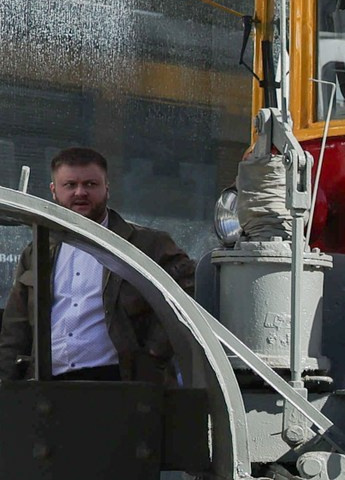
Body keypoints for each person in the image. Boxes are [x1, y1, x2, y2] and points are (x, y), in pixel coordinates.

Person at [0, 147, 199, 383]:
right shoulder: (37, 251)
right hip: (49, 389)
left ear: (107, 188)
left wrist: (154, 354)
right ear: (54, 191)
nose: (80, 192)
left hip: (121, 385)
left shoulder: (145, 244)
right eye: (70, 185)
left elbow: (189, 287)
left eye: (90, 184)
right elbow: (15, 329)